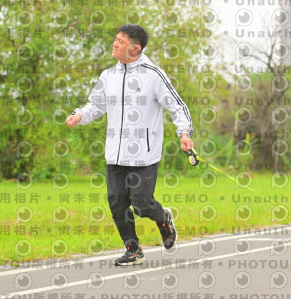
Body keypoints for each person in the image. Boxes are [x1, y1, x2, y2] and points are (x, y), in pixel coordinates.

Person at [66, 24, 195, 266]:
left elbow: (177, 106)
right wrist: (79, 115)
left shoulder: (153, 75)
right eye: (115, 39)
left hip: (144, 155)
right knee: (117, 203)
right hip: (114, 154)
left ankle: (164, 219)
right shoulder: (108, 76)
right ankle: (133, 249)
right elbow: (95, 105)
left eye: (120, 41)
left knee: (142, 205)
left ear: (135, 48)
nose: (114, 44)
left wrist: (184, 133)